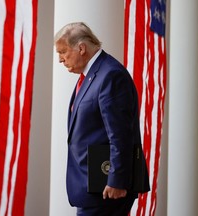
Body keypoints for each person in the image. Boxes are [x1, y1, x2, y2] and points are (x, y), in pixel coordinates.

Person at [54, 22, 149, 216]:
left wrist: (117, 180)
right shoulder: (92, 75)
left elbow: (120, 134)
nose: (60, 60)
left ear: (81, 48)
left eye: (63, 52)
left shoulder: (110, 75)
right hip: (91, 186)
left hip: (106, 188)